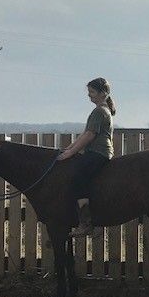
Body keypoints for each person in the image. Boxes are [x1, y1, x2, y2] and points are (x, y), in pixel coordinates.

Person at [57, 77, 116, 236]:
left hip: (98, 152)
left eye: (92, 92)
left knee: (78, 180)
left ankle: (85, 222)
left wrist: (70, 153)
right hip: (99, 151)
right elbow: (84, 134)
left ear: (103, 93)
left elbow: (89, 135)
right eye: (89, 92)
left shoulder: (99, 111)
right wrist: (69, 148)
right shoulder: (103, 110)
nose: (89, 95)